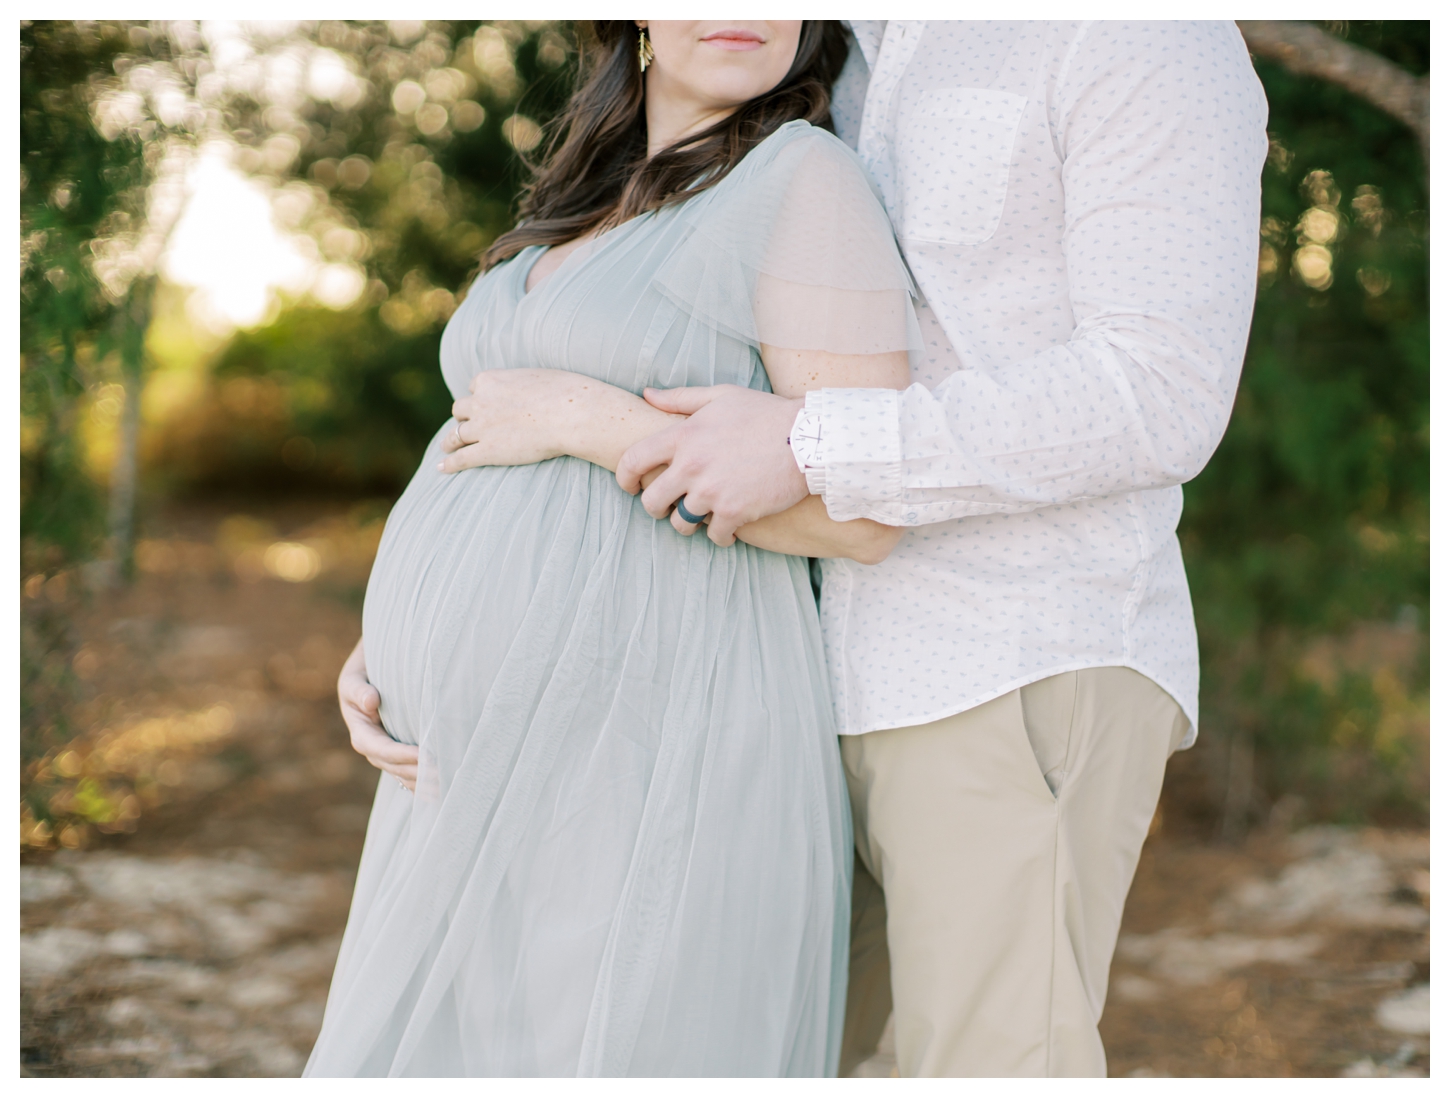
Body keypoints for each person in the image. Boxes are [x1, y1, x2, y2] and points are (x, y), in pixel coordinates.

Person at [407, 20, 1270, 1078]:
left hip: (999, 656)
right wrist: (409, 628)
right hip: (773, 684)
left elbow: (1158, 394)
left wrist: (821, 444)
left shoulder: (1134, 34)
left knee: (985, 1064)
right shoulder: (819, 51)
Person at [308, 20, 923, 1078]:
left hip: (652, 726)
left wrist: (588, 420)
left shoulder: (803, 180)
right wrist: (389, 640)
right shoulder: (583, 197)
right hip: (473, 757)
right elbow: (481, 427)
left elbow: (861, 512)